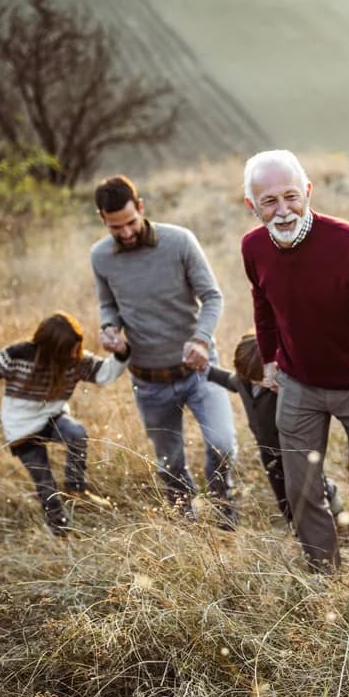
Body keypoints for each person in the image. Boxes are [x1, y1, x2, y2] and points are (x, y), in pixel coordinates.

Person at [240, 149, 349, 592]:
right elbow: (262, 303)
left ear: (308, 193)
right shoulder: (253, 247)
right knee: (301, 485)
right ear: (252, 206)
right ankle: (323, 573)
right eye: (269, 202)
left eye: (291, 197)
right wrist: (269, 359)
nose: (283, 210)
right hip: (300, 383)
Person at [89, 175, 239, 527]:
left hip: (199, 370)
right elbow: (108, 305)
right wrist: (109, 329)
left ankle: (222, 510)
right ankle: (185, 523)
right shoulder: (100, 257)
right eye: (115, 228)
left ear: (141, 208)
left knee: (222, 444)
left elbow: (213, 297)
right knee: (169, 462)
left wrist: (201, 339)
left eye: (130, 223)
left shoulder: (179, 241)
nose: (125, 233)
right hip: (149, 379)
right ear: (102, 220)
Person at [0, 312, 128, 536]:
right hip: (21, 428)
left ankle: (76, 489)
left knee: (77, 433)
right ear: (51, 348)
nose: (75, 354)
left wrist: (121, 353)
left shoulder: (75, 361)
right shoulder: (19, 355)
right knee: (45, 484)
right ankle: (61, 531)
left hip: (52, 418)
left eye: (77, 348)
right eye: (69, 350)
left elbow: (104, 373)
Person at [206, 330, 345, 526]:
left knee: (310, 486)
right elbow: (231, 381)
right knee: (281, 492)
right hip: (268, 450)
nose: (260, 382)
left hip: (295, 446)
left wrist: (285, 391)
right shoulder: (244, 379)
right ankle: (294, 525)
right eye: (255, 379)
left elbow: (312, 402)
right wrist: (207, 371)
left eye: (263, 377)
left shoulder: (283, 386)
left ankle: (331, 505)